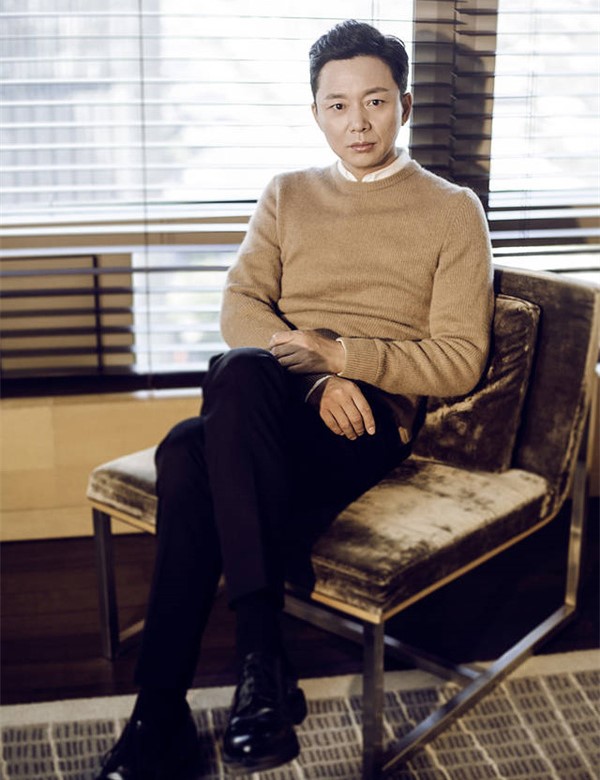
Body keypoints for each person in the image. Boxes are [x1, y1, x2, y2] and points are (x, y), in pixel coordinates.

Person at [96, 18, 493, 780]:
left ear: (406, 105)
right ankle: (257, 663)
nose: (358, 122)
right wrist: (316, 380)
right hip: (287, 397)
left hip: (367, 420)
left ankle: (160, 719)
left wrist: (344, 358)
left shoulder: (451, 211)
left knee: (188, 449)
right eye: (338, 105)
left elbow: (459, 360)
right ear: (316, 113)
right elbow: (240, 305)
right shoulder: (287, 194)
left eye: (375, 101)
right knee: (236, 373)